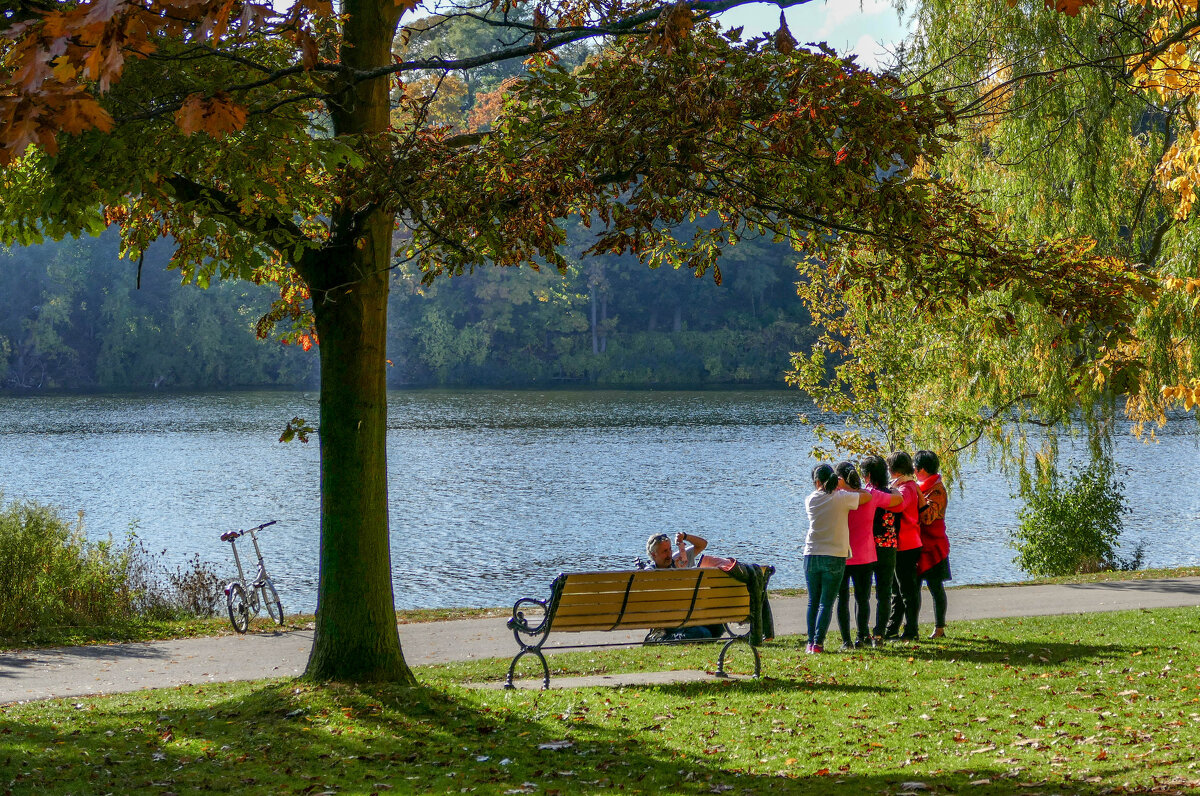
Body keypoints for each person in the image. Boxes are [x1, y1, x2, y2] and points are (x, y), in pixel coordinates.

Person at [804, 462, 873, 654]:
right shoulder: (842, 498)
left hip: (811, 553)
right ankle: (818, 643)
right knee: (827, 602)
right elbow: (867, 496)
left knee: (813, 601)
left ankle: (810, 642)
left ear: (816, 481)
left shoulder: (810, 499)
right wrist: (845, 485)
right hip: (835, 555)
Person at [834, 461, 901, 649]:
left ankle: (847, 641)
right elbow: (897, 501)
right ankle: (863, 635)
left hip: (842, 554)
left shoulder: (837, 498)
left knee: (843, 599)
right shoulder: (870, 495)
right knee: (862, 598)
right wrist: (895, 489)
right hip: (865, 555)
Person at [859, 455, 903, 643]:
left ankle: (863, 633)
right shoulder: (892, 495)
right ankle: (879, 633)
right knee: (884, 592)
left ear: (868, 475)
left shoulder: (866, 495)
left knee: (864, 592)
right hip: (889, 546)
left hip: (868, 547)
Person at [884, 451, 924, 642]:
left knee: (907, 591)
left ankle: (911, 630)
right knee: (897, 590)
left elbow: (898, 506)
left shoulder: (906, 488)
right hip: (903, 544)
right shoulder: (904, 485)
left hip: (907, 545)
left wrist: (881, 496)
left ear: (893, 469)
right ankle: (892, 627)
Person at [915, 450, 951, 639]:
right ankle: (912, 627)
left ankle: (940, 628)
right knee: (914, 588)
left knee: (936, 587)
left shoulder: (937, 490)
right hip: (918, 545)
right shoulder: (920, 486)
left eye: (915, 467)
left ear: (921, 469)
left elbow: (928, 517)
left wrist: (918, 496)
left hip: (935, 547)